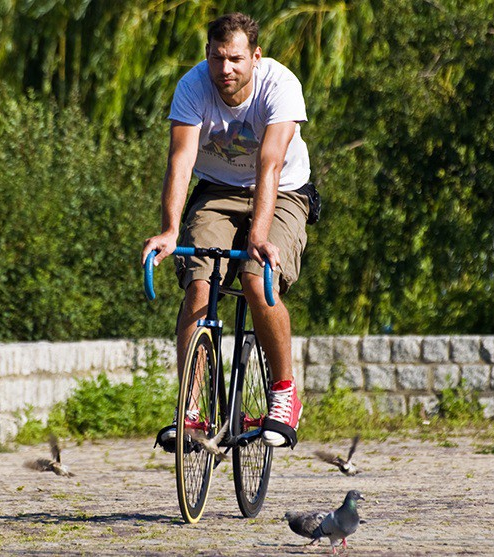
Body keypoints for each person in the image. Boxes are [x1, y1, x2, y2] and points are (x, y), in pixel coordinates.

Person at [141, 12, 316, 451]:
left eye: (236, 59)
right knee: (200, 285)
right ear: (207, 54)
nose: (226, 70)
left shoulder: (281, 86)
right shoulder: (193, 86)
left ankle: (284, 394)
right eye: (218, 58)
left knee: (257, 279)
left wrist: (259, 236)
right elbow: (181, 159)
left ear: (256, 56)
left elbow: (270, 162)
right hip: (217, 190)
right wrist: (169, 229)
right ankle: (192, 410)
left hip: (282, 191)